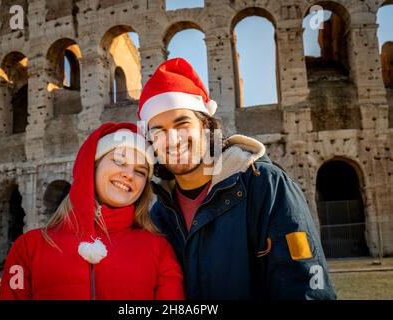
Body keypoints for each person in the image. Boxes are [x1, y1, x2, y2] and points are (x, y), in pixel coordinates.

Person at [138, 58, 336, 300]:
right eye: (158, 131)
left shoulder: (266, 186)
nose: (173, 140)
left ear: (207, 126)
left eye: (183, 124)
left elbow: (306, 289)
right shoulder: (159, 215)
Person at [0, 122, 184, 300]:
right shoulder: (28, 248)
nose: (129, 174)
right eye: (119, 161)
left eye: (141, 171)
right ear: (91, 166)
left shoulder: (159, 249)